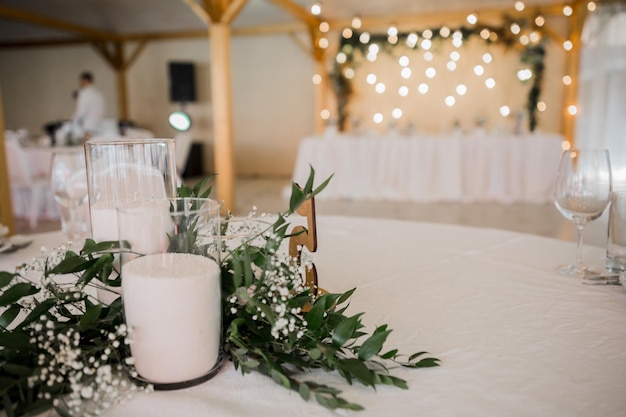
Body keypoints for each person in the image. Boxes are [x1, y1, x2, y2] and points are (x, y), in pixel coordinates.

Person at [71, 71, 105, 138]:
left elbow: (81, 111)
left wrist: (72, 121)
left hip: (86, 128)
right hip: (98, 126)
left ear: (85, 80)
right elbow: (103, 110)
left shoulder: (83, 93)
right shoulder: (99, 95)